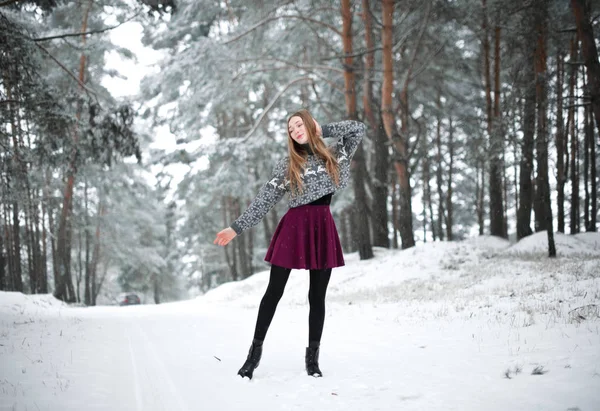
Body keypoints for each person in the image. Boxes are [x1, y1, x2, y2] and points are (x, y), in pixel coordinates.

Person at [214, 109, 366, 379]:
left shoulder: (333, 155)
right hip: (294, 228)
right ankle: (253, 356)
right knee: (273, 293)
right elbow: (264, 200)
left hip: (322, 227)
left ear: (310, 124)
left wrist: (325, 129)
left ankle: (312, 360)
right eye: (290, 128)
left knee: (317, 297)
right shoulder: (288, 165)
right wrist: (236, 228)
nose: (295, 130)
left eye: (299, 124)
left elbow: (358, 128)